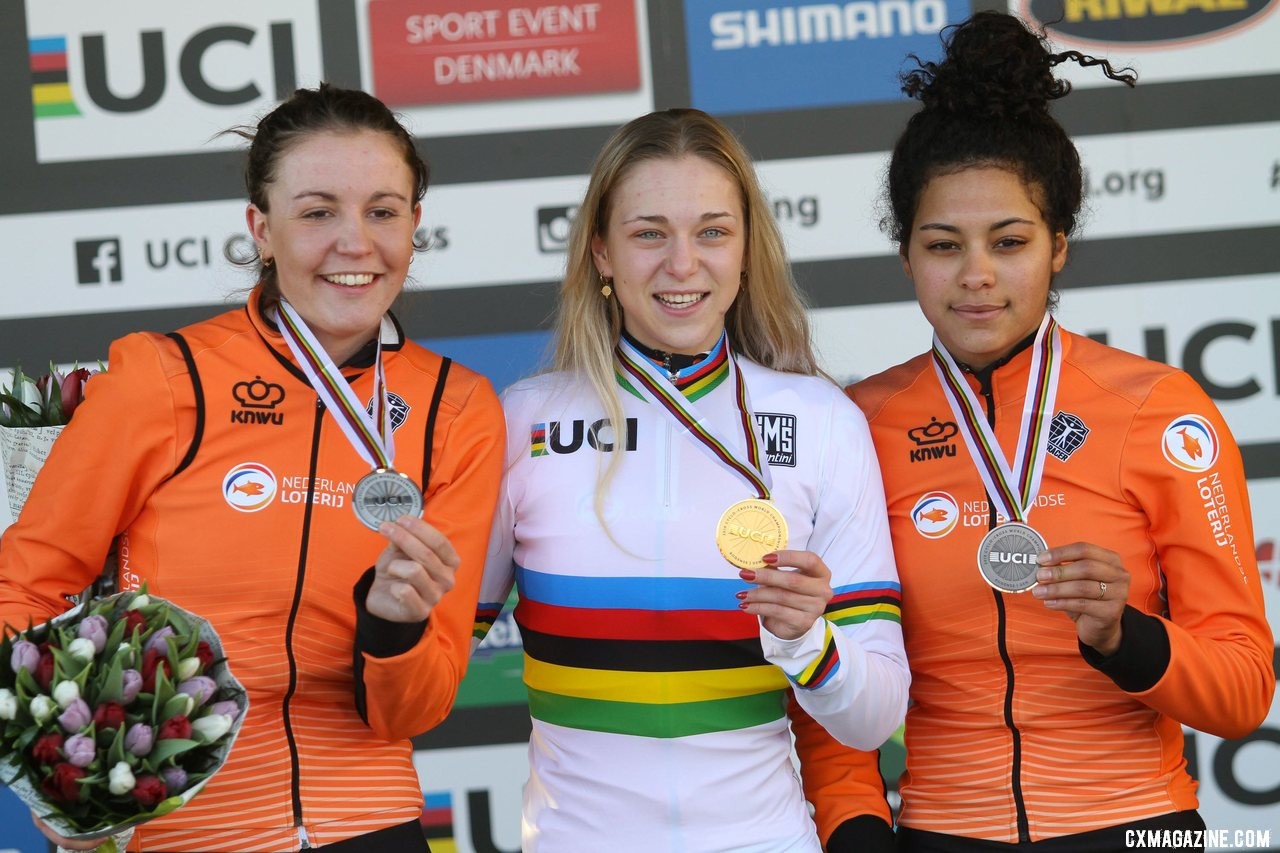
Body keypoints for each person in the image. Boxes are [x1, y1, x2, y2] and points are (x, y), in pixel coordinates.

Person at [0, 84, 505, 852]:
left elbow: (416, 710)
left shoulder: (456, 409)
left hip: (369, 823)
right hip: (177, 831)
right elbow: (23, 585)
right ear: (260, 230)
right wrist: (55, 769)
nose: (355, 241)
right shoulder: (165, 378)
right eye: (316, 212)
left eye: (382, 210)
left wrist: (396, 628)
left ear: (414, 225)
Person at [814, 12, 1275, 852]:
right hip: (940, 830)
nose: (977, 274)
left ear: (1058, 246)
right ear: (906, 256)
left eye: (1011, 241)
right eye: (943, 244)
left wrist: (1122, 634)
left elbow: (1244, 690)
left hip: (1138, 827)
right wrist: (854, 830)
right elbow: (829, 672)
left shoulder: (1158, 408)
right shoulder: (857, 427)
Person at [473, 108, 909, 852]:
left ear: (745, 251)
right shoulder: (522, 423)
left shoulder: (821, 421)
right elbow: (429, 668)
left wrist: (811, 641)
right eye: (649, 233)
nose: (682, 264)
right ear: (601, 251)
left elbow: (874, 717)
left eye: (712, 231)